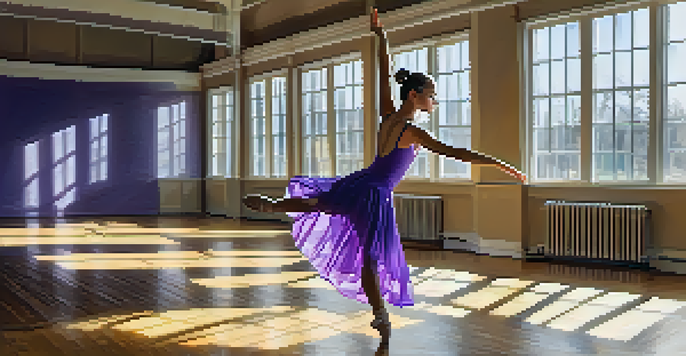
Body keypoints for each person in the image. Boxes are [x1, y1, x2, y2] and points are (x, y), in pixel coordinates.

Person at [243, 8, 526, 345]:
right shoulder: (412, 132)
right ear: (414, 96)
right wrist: (503, 165)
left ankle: (275, 206)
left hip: (362, 181)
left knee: (321, 201)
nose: (434, 100)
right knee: (371, 257)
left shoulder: (387, 116)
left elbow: (383, 71)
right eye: (431, 94)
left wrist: (380, 36)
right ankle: (380, 314)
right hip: (375, 193)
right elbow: (457, 153)